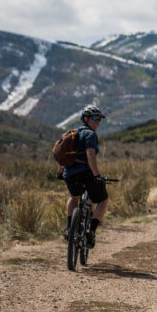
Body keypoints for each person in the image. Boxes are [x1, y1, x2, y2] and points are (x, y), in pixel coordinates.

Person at [59, 105, 109, 247]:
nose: (98, 122)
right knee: (103, 201)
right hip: (87, 174)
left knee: (73, 197)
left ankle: (69, 228)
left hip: (70, 174)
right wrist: (97, 175)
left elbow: (63, 155)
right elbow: (90, 155)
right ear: (85, 118)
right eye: (95, 118)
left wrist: (60, 172)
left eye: (99, 119)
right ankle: (91, 231)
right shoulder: (90, 134)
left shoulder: (71, 134)